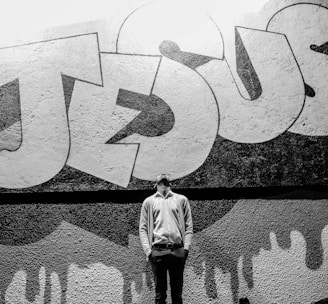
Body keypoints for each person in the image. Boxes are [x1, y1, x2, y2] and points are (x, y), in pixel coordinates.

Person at [139, 173, 193, 304]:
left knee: (177, 296)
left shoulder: (181, 200)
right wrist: (149, 252)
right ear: (155, 184)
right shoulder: (149, 202)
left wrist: (185, 250)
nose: (162, 174)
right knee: (160, 296)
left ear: (171, 182)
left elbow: (189, 227)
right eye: (159, 175)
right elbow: (143, 229)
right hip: (157, 252)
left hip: (177, 251)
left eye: (165, 174)